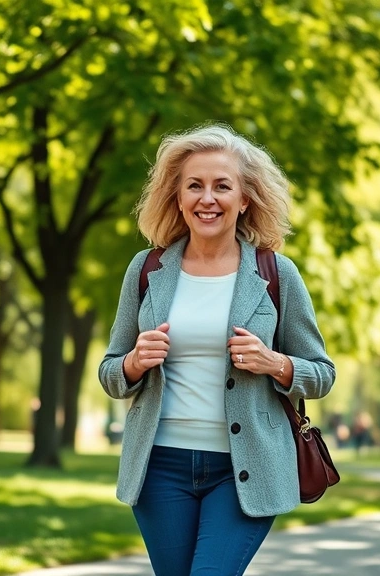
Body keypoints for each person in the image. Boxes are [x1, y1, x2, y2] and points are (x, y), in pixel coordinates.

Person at [98, 123, 336, 575]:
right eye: (195, 186)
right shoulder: (147, 269)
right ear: (178, 196)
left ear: (244, 198)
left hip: (245, 470)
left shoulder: (276, 274)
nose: (208, 198)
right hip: (159, 469)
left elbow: (322, 372)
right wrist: (133, 362)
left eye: (222, 186)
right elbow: (111, 372)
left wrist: (276, 363)